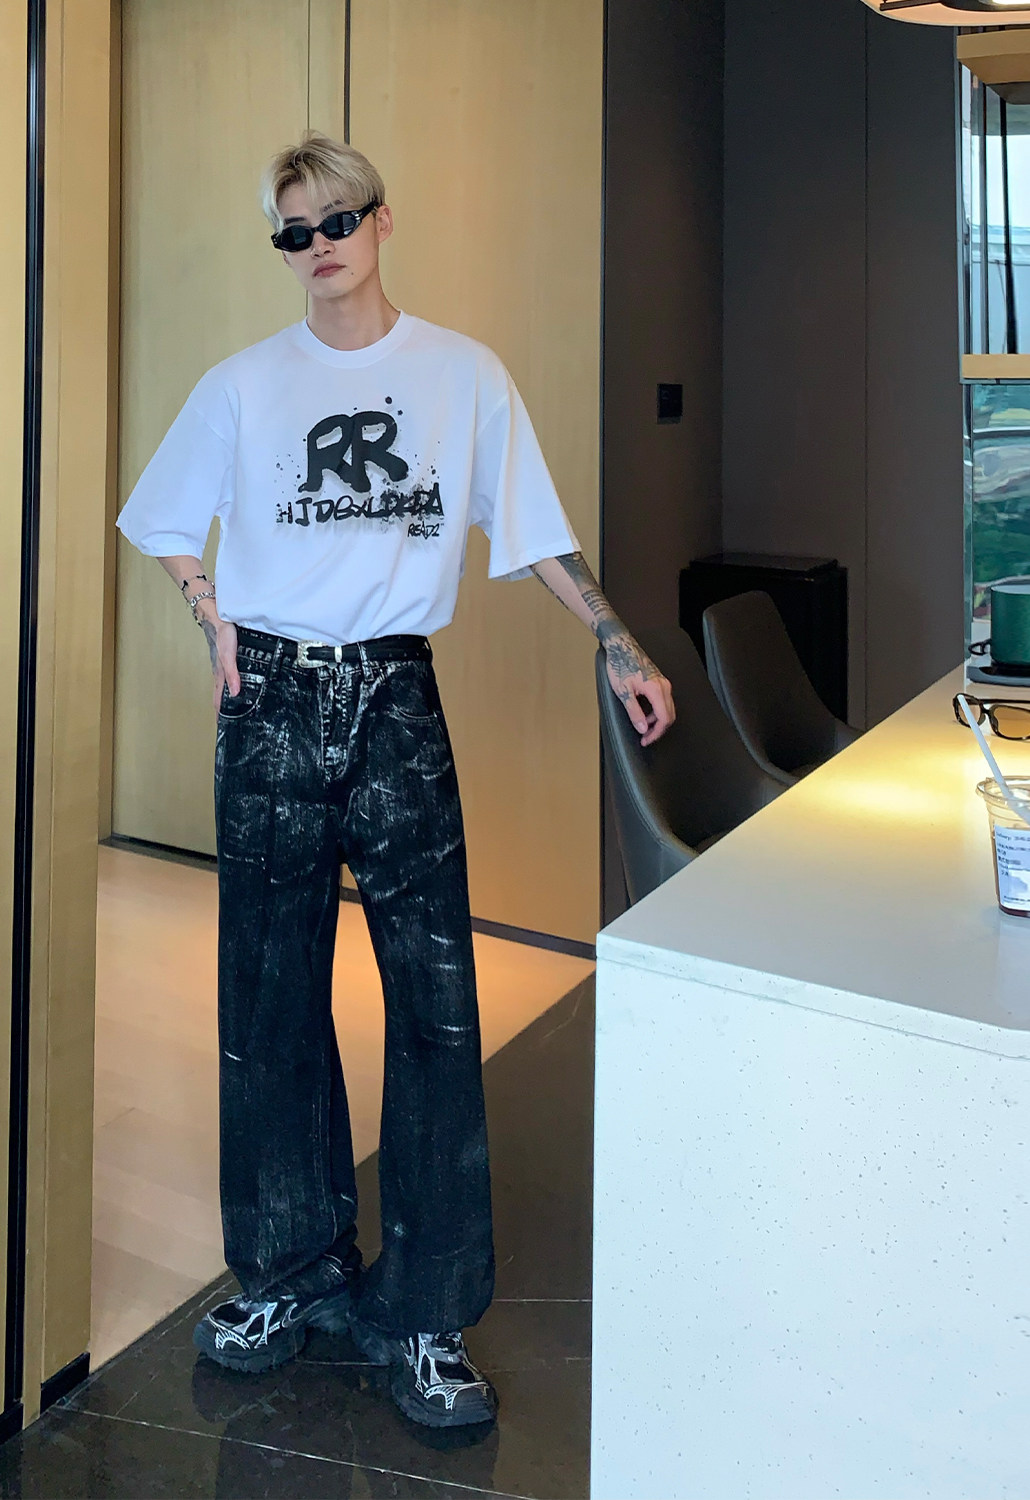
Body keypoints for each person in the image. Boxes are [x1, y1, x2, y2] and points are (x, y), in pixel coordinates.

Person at [116, 133, 674, 1429]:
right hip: (270, 704)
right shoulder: (243, 384)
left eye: (338, 220)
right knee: (268, 998)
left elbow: (533, 528)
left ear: (380, 219)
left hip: (394, 699)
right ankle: (289, 1271)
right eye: (294, 232)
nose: (319, 247)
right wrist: (212, 617)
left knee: (435, 1004)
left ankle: (425, 1312)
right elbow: (162, 521)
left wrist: (619, 641)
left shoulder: (460, 374)